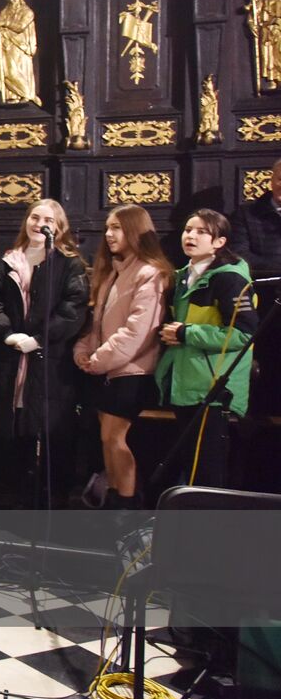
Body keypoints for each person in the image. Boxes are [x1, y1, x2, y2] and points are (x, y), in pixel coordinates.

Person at [0, 200, 89, 506]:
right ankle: (14, 496)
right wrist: (9, 334)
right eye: (35, 217)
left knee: (49, 431)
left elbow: (72, 310)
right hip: (11, 359)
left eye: (47, 219)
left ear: (58, 227)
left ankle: (50, 500)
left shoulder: (69, 264)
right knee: (14, 430)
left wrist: (37, 339)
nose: (39, 223)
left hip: (48, 361)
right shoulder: (10, 260)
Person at [72, 204, 171, 510]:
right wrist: (83, 352)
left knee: (116, 440)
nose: (108, 234)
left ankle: (126, 509)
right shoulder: (113, 272)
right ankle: (114, 500)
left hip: (132, 372)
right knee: (107, 440)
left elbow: (138, 331)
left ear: (134, 230)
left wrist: (98, 360)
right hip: (109, 370)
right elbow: (97, 324)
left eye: (116, 228)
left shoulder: (149, 273)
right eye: (107, 228)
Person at [156, 210, 258, 489]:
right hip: (186, 384)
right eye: (188, 229)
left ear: (219, 241)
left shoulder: (229, 279)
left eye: (201, 232)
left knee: (205, 476)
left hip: (212, 389)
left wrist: (186, 333)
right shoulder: (183, 277)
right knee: (190, 471)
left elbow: (243, 333)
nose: (190, 235)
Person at [0, 0, 41, 106]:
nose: (12, 1)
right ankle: (14, 95)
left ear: (20, 0)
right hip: (5, 44)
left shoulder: (27, 12)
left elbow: (20, 26)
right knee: (3, 71)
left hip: (19, 46)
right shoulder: (7, 11)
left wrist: (4, 23)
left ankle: (27, 94)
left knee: (14, 71)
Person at [231, 157, 281, 274]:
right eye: (280, 179)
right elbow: (239, 254)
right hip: (263, 285)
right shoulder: (245, 214)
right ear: (271, 180)